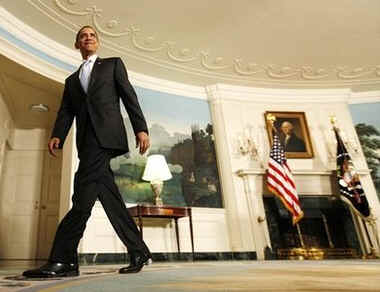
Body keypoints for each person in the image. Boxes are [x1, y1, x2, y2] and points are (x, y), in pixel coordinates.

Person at [23, 26, 151, 278]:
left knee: (81, 195)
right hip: (87, 140)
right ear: (77, 45)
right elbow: (66, 111)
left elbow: (129, 96)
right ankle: (139, 251)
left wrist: (141, 128)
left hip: (107, 137)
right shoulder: (71, 81)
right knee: (106, 194)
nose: (88, 38)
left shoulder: (113, 65)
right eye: (83, 36)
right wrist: (57, 135)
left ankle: (62, 259)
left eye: (92, 35)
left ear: (98, 42)